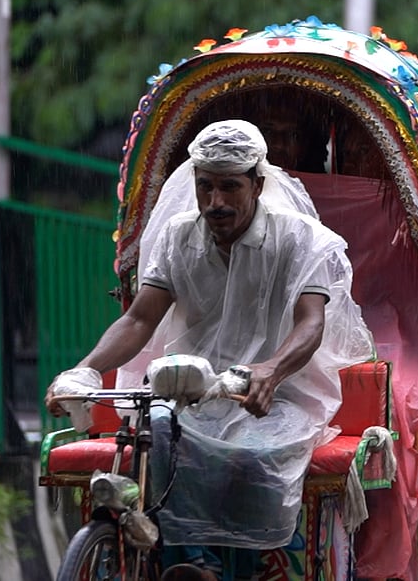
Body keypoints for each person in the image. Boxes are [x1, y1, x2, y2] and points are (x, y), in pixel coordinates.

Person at [45, 120, 373, 581]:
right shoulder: (178, 236)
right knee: (158, 432)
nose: (215, 202)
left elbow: (311, 322)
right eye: (205, 187)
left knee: (251, 453)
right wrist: (83, 372)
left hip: (278, 395)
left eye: (229, 187)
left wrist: (271, 372)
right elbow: (139, 319)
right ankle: (191, 564)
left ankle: (228, 567)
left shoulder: (303, 239)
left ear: (258, 184)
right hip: (190, 389)